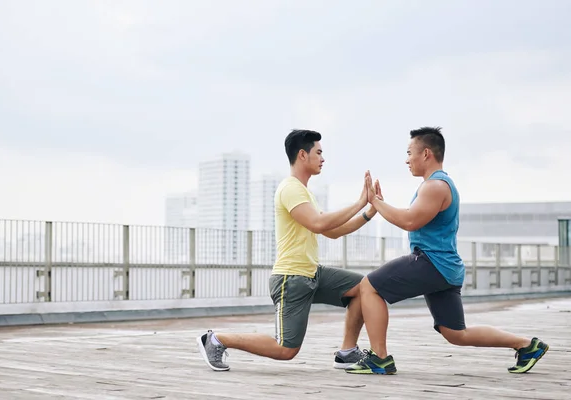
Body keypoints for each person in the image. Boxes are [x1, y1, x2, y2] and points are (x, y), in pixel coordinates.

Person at [345, 127, 549, 375]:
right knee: (455, 333)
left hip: (431, 263)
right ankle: (526, 345)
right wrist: (378, 202)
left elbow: (410, 221)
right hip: (445, 269)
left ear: (426, 153)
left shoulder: (435, 186)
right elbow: (411, 218)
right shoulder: (436, 185)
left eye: (410, 153)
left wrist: (375, 201)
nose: (407, 159)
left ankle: (380, 358)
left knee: (369, 286)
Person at [197, 129, 381, 371]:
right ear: (303, 155)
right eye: (319, 152)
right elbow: (318, 223)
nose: (323, 159)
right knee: (286, 349)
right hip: (291, 278)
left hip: (312, 273)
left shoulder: (305, 193)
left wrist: (369, 212)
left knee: (363, 287)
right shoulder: (290, 188)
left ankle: (347, 352)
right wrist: (359, 202)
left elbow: (333, 231)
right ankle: (217, 339)